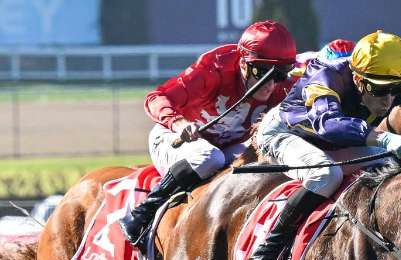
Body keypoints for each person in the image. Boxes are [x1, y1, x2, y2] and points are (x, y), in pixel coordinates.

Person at [244, 30, 401, 260]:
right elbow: (328, 124)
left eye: (396, 89)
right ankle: (268, 248)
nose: (389, 100)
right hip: (287, 133)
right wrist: (384, 138)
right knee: (325, 175)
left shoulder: (389, 78)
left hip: (335, 143)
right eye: (380, 91)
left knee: (393, 163)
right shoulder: (326, 77)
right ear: (359, 80)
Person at [119, 20, 297, 247]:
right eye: (262, 73)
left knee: (265, 159)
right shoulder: (214, 70)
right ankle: (142, 213)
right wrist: (179, 123)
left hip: (225, 147)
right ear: (243, 64)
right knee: (209, 157)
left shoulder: (283, 86)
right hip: (173, 139)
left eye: (279, 75)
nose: (270, 84)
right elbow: (155, 98)